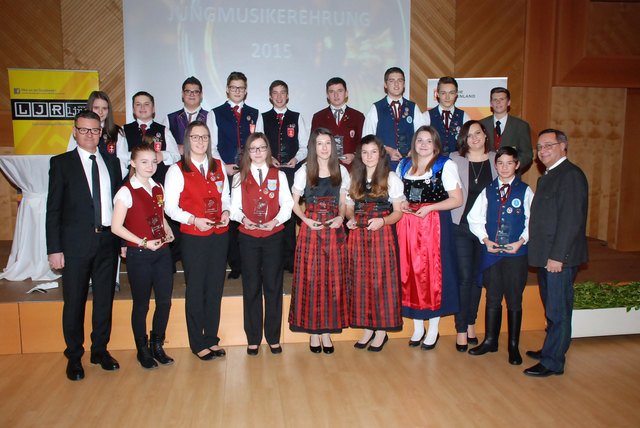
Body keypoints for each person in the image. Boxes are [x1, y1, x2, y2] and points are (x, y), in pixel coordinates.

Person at [47, 110, 123, 381]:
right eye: (84, 130)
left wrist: (122, 241)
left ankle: (99, 350)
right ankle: (74, 355)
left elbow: (119, 206)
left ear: (102, 133)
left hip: (107, 242)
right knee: (75, 302)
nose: (90, 134)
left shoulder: (112, 163)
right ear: (75, 131)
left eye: (95, 130)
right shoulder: (61, 163)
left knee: (104, 299)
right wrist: (54, 249)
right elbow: (53, 210)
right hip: (75, 245)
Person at [524, 129, 588, 377]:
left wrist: (558, 257)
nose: (543, 151)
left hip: (558, 258)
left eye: (548, 145)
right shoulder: (548, 176)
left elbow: (571, 220)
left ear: (563, 146)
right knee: (551, 308)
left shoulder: (570, 175)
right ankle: (551, 349)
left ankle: (553, 362)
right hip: (545, 256)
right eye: (539, 147)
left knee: (558, 311)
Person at [164, 121, 230, 361]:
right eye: (195, 137)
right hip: (194, 237)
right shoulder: (176, 170)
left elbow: (226, 197)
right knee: (195, 289)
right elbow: (170, 208)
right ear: (187, 140)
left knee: (215, 289)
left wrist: (226, 213)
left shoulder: (219, 166)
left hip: (219, 236)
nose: (200, 141)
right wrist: (193, 219)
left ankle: (211, 339)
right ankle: (197, 342)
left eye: (204, 137)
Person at [396, 126, 462, 350]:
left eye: (428, 140)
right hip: (407, 224)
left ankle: (433, 328)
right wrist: (402, 203)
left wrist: (430, 208)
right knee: (411, 273)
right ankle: (417, 327)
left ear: (435, 144)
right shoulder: (404, 165)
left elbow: (457, 199)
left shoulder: (445, 165)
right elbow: (396, 194)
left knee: (432, 275)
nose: (423, 144)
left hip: (433, 224)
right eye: (419, 140)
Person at [467, 146, 534, 365]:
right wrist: (486, 240)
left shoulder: (525, 191)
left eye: (509, 163)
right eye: (500, 163)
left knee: (514, 299)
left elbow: (532, 221)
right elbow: (474, 218)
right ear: (495, 165)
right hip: (492, 253)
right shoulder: (488, 190)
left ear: (517, 165)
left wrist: (521, 241)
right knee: (493, 297)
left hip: (516, 253)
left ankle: (513, 346)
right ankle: (490, 340)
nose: (504, 167)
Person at [111, 143, 175, 369]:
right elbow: (116, 227)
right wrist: (143, 243)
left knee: (164, 302)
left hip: (162, 253)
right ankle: (143, 349)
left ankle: (158, 344)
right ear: (133, 163)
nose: (150, 166)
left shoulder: (158, 187)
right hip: (140, 254)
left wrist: (167, 229)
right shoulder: (126, 191)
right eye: (144, 162)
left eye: (153, 162)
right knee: (141, 305)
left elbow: (160, 215)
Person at [230, 133, 293, 355]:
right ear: (247, 152)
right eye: (253, 149)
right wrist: (244, 219)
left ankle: (273, 337)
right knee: (251, 286)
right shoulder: (239, 177)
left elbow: (288, 203)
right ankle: (253, 337)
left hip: (273, 235)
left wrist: (275, 221)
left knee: (274, 286)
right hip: (248, 236)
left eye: (262, 148)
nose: (257, 152)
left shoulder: (279, 175)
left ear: (268, 150)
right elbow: (234, 207)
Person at [288, 128, 350, 354]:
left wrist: (340, 217)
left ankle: (327, 332)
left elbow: (343, 203)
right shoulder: (304, 170)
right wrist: (305, 219)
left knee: (332, 282)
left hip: (333, 232)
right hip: (311, 231)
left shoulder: (342, 170)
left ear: (333, 147)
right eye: (319, 144)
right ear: (313, 147)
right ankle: (314, 333)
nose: (324, 148)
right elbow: (293, 203)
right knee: (312, 281)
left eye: (328, 143)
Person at [346, 135, 404, 352]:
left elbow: (398, 213)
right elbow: (349, 206)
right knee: (361, 281)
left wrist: (383, 221)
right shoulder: (355, 177)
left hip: (381, 235)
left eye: (373, 151)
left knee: (381, 282)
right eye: (364, 152)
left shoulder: (391, 178)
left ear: (381, 154)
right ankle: (368, 328)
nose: (369, 156)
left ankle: (381, 330)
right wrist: (350, 219)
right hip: (359, 236)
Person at [206, 71, 263, 279]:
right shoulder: (215, 113)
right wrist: (224, 166)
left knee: (249, 213)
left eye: (241, 88)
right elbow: (210, 146)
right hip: (226, 172)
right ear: (227, 89)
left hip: (249, 173)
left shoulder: (255, 113)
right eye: (233, 87)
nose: (237, 91)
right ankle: (235, 264)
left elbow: (260, 144)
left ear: (246, 90)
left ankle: (250, 263)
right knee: (229, 217)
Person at [449, 120, 498, 351]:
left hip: (486, 231)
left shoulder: (497, 161)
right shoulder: (454, 160)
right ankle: (460, 329)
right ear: (463, 140)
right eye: (469, 135)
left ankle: (471, 323)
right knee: (465, 278)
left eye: (478, 133)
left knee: (478, 280)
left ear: (485, 135)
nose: (474, 138)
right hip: (461, 227)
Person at [257, 80, 309, 273]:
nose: (279, 96)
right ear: (270, 96)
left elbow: (304, 146)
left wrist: (296, 158)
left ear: (288, 96)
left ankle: (289, 261)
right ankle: (271, 260)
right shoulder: (262, 117)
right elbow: (258, 144)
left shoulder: (297, 116)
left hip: (290, 173)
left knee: (288, 214)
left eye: (282, 93)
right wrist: (269, 157)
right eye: (275, 93)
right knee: (271, 212)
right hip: (269, 173)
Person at [363, 67, 427, 170]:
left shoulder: (413, 107)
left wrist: (415, 149)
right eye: (392, 81)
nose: (396, 84)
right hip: (383, 166)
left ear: (404, 84)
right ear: (385, 84)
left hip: (410, 165)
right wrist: (387, 150)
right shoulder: (376, 108)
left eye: (400, 80)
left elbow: (424, 135)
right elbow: (367, 140)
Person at [67, 91, 128, 178]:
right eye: (96, 108)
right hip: (83, 178)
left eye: (104, 108)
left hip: (110, 179)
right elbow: (71, 157)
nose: (100, 112)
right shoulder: (80, 130)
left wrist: (112, 179)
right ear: (90, 108)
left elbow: (123, 161)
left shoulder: (117, 132)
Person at [123, 91, 180, 184]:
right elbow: (121, 158)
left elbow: (176, 156)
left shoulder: (164, 130)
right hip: (132, 183)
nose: (142, 107)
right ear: (133, 109)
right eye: (138, 104)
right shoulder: (123, 130)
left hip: (159, 182)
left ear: (153, 108)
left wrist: (162, 155)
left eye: (146, 104)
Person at [311, 77, 365, 170]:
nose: (336, 95)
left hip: (351, 169)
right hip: (326, 169)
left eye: (339, 91)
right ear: (327, 95)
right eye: (331, 91)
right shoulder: (318, 117)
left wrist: (354, 155)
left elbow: (364, 143)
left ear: (346, 93)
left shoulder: (358, 116)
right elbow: (312, 144)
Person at [480, 87, 533, 173]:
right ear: (491, 103)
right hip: (486, 173)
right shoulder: (481, 125)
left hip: (512, 176)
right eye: (495, 99)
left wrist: (511, 166)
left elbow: (527, 154)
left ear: (508, 102)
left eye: (502, 99)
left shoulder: (521, 126)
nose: (498, 102)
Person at [423, 76, 471, 157]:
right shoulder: (426, 116)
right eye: (443, 93)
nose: (447, 97)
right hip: (433, 163)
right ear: (437, 94)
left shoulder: (464, 117)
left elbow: (469, 143)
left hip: (458, 164)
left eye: (451, 93)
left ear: (456, 94)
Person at [164, 76, 208, 155]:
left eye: (195, 91)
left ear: (201, 94)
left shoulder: (210, 117)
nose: (192, 95)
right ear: (182, 94)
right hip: (178, 164)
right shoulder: (170, 119)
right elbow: (162, 145)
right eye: (188, 91)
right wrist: (175, 147)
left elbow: (215, 145)